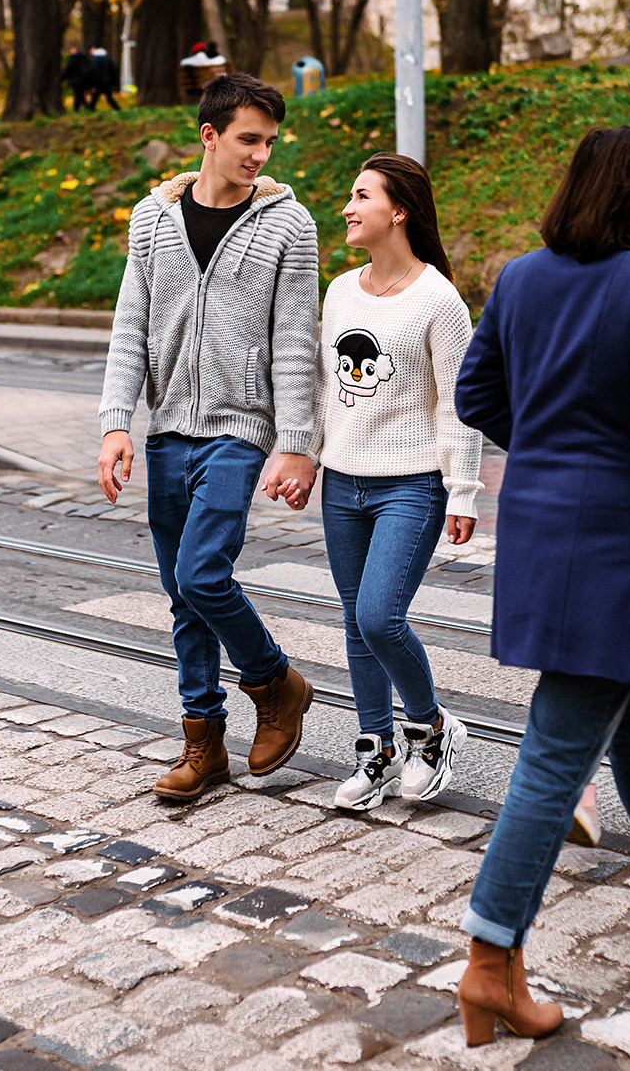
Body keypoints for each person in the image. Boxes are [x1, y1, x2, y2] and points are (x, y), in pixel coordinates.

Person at [452, 127, 630, 1046]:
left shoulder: (522, 276)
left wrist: (544, 448)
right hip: (629, 537)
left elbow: (476, 393)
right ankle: (491, 960)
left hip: (541, 528)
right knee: (557, 749)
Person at [97, 72, 321, 801]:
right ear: (210, 136)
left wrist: (296, 440)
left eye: (268, 142)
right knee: (180, 594)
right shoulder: (150, 219)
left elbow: (294, 341)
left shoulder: (291, 225)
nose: (260, 154)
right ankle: (203, 745)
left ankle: (276, 683)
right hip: (167, 432)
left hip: (239, 430)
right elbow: (130, 325)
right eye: (248, 140)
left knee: (200, 574)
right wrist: (115, 425)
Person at [291, 152, 482, 811]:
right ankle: (374, 750)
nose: (347, 207)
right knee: (353, 621)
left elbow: (456, 403)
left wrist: (462, 489)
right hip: (342, 483)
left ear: (398, 210)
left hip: (412, 485)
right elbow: (323, 388)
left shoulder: (439, 300)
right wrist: (304, 456)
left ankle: (430, 727)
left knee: (379, 616)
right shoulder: (340, 290)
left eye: (360, 195)